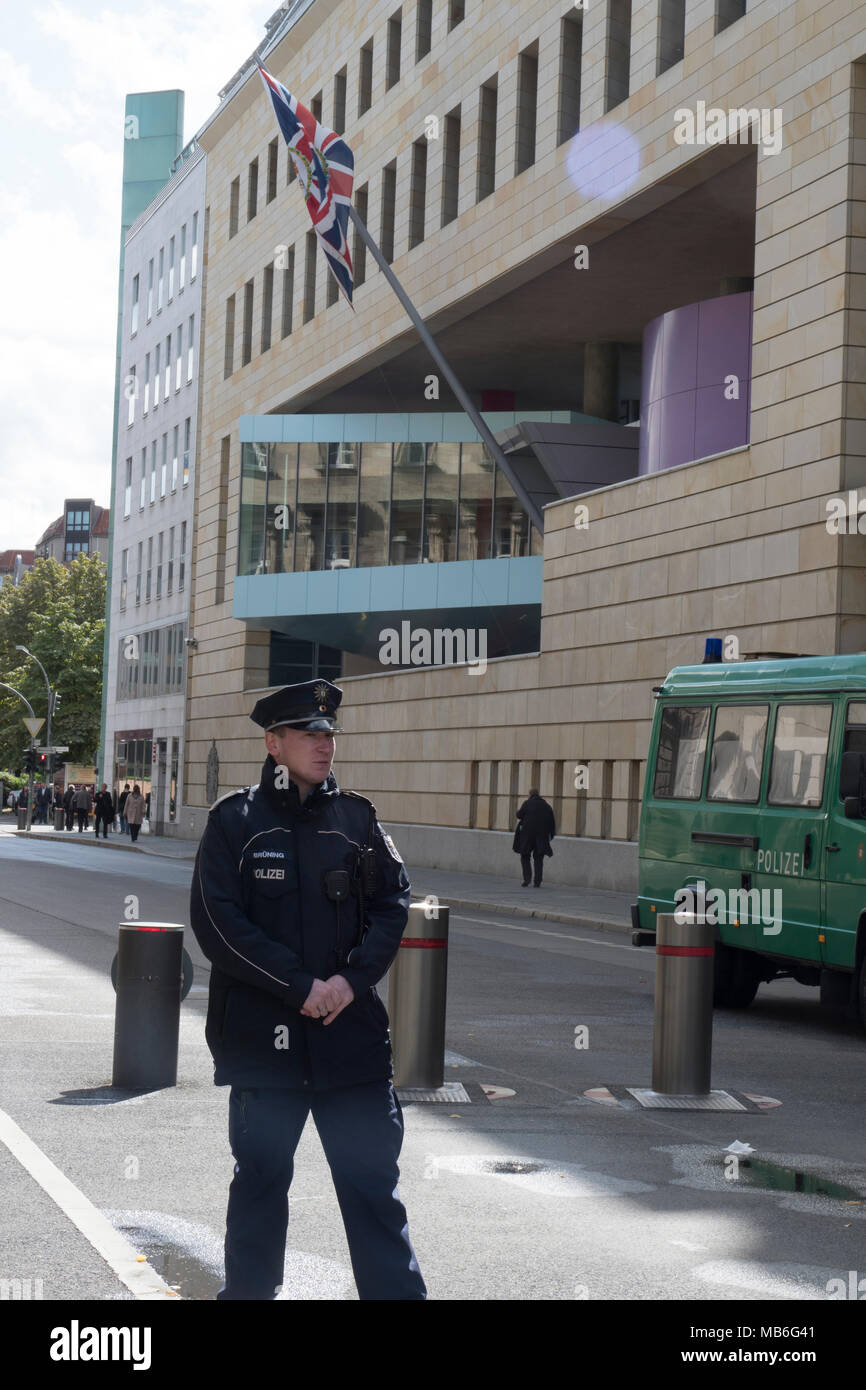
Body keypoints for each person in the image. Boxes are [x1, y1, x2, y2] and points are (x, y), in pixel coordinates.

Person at [189, 679, 427, 1302]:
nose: (324, 745)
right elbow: (217, 923)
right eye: (309, 734)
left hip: (349, 1044)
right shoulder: (233, 823)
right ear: (274, 742)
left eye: (329, 734)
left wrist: (349, 982)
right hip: (265, 1048)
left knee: (373, 1188)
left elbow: (391, 906)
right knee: (261, 1186)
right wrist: (299, 988)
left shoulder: (357, 819)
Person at [513, 787, 556, 887]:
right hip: (541, 836)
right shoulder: (546, 806)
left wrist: (518, 811)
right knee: (538, 858)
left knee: (525, 856)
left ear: (530, 795)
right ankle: (537, 881)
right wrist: (550, 835)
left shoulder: (527, 803)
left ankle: (527, 879)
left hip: (527, 836)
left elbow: (519, 815)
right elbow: (552, 822)